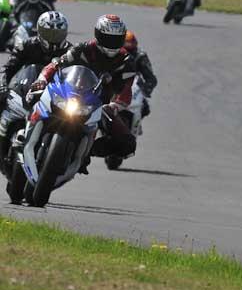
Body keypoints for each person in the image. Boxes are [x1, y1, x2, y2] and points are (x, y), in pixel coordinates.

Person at [27, 14, 138, 171]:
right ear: (98, 35)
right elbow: (56, 64)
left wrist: (115, 105)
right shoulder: (83, 49)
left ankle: (87, 151)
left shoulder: (127, 62)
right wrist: (42, 80)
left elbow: (126, 92)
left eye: (115, 39)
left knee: (128, 144)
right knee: (34, 97)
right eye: (107, 38)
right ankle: (25, 131)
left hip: (101, 104)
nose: (111, 43)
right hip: (69, 94)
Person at [0, 11, 71, 174]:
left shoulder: (70, 52)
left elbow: (77, 77)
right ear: (39, 31)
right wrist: (3, 86)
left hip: (53, 98)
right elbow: (8, 68)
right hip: (23, 89)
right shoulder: (27, 45)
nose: (53, 38)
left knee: (77, 121)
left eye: (58, 33)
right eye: (49, 33)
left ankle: (76, 158)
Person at [123, 30, 157, 119]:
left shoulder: (140, 56)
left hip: (134, 87)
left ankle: (135, 125)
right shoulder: (113, 54)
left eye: (130, 50)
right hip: (115, 86)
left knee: (145, 108)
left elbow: (151, 78)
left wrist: (144, 91)